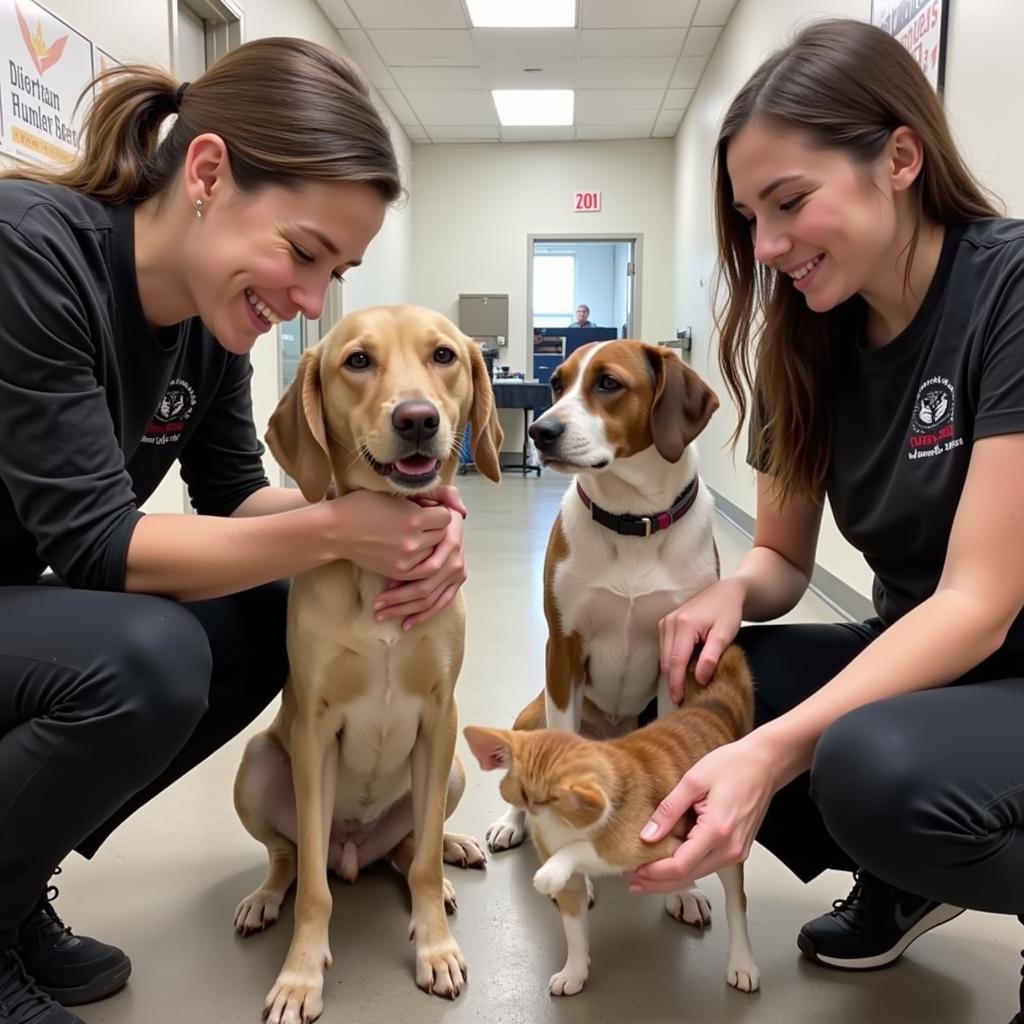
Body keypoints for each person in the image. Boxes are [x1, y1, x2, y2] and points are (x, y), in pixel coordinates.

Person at [0, 38, 470, 1024]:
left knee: (273, 604)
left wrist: (402, 525)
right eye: (303, 253)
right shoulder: (28, 250)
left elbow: (239, 500)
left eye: (332, 272)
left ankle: (10, 884)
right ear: (207, 173)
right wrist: (342, 527)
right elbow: (100, 547)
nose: (307, 301)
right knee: (149, 657)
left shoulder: (212, 330)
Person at [626, 18, 1024, 1024]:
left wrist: (773, 751)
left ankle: (916, 842)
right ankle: (907, 875)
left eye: (790, 203)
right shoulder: (805, 337)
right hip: (929, 650)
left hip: (1003, 650)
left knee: (857, 764)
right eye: (751, 215)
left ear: (899, 157)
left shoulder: (1008, 290)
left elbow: (979, 601)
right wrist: (721, 595)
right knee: (687, 686)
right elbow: (780, 556)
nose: (767, 246)